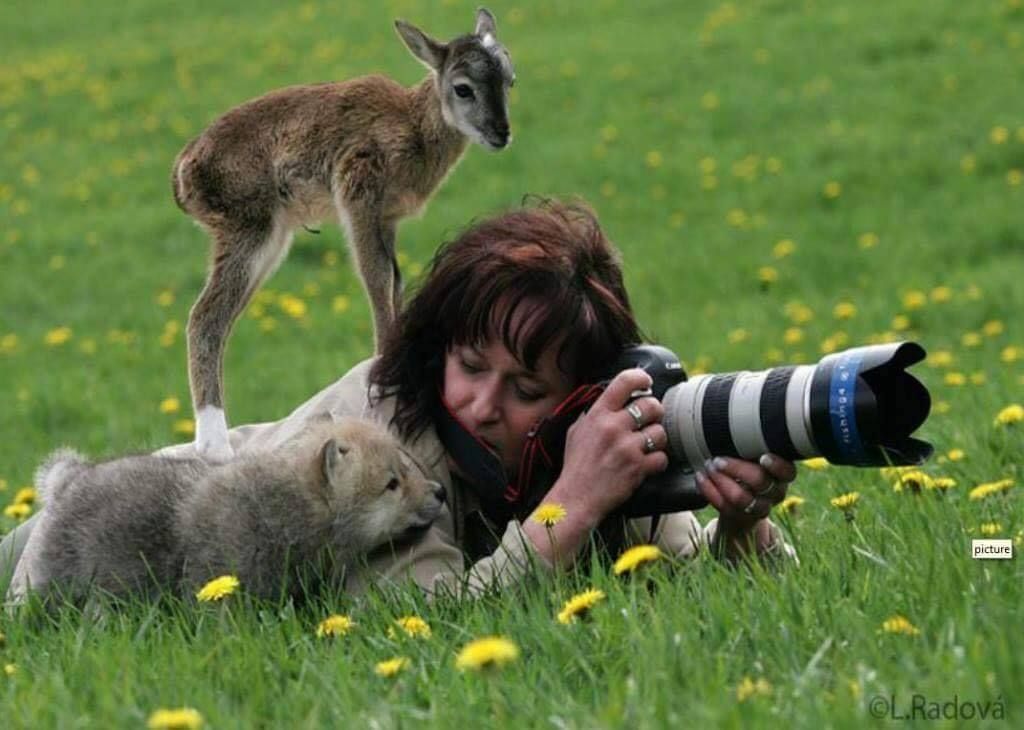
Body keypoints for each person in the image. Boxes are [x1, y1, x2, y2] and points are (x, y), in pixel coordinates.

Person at [1, 199, 797, 600]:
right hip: (104, 532)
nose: (483, 404)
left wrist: (743, 528)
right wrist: (572, 509)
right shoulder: (380, 444)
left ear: (580, 399)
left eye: (525, 389)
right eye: (470, 365)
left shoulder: (596, 440)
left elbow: (705, 589)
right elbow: (436, 628)